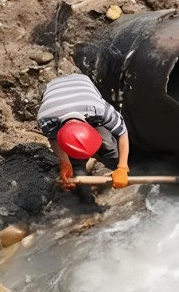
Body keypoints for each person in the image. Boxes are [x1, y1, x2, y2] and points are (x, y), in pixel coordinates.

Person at [36, 73, 130, 202]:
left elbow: (122, 133)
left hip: (81, 81)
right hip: (52, 88)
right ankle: (83, 194)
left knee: (108, 144)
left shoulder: (101, 110)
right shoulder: (45, 119)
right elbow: (53, 138)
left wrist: (122, 167)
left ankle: (114, 169)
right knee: (74, 163)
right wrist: (65, 162)